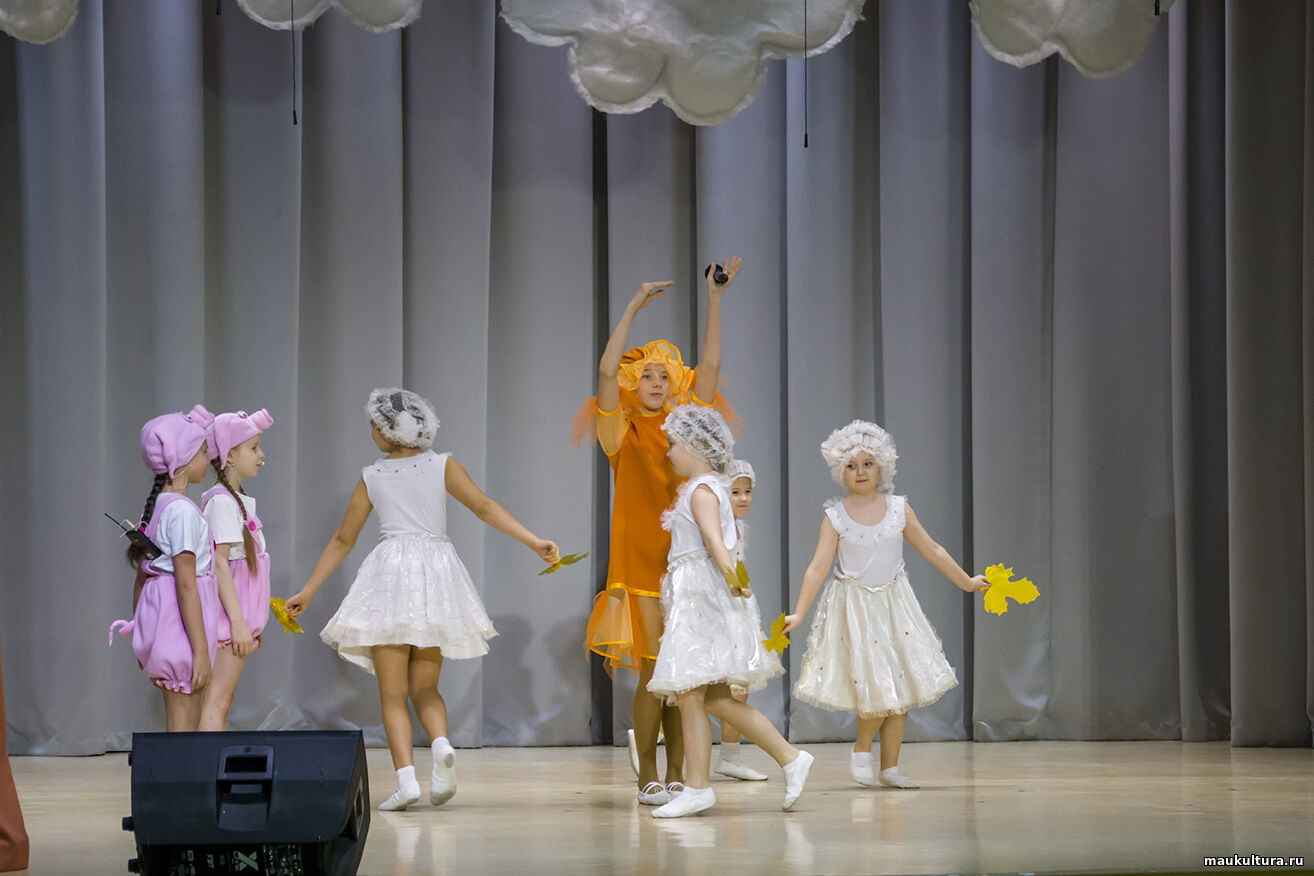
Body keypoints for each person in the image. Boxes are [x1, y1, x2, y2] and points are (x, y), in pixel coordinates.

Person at [284, 388, 559, 811]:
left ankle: (406, 781)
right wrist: (533, 540)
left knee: (392, 693)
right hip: (436, 575)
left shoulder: (373, 475)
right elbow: (484, 507)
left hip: (389, 577)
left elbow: (343, 539)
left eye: (374, 426)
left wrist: (308, 590)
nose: (371, 433)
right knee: (425, 687)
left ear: (388, 430)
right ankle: (442, 743)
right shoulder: (441, 465)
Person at [574, 261, 741, 806]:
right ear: (635, 382)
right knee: (653, 671)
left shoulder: (684, 434)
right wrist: (632, 306)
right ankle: (646, 770)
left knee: (684, 673)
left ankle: (676, 773)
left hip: (685, 560)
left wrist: (714, 299)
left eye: (664, 376)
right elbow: (605, 371)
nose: (655, 383)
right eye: (646, 375)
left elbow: (710, 366)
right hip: (640, 561)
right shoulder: (620, 430)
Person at [784, 420, 989, 789]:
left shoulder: (898, 509)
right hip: (856, 607)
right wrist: (799, 611)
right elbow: (817, 567)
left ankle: (890, 766)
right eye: (851, 465)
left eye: (868, 464)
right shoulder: (835, 517)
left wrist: (967, 581)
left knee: (901, 682)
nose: (861, 471)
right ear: (840, 471)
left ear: (882, 466)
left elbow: (933, 549)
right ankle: (862, 748)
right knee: (877, 682)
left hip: (895, 604)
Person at [646, 405, 812, 818]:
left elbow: (716, 544)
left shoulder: (703, 490)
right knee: (715, 697)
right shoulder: (711, 488)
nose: (669, 452)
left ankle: (698, 787)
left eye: (673, 444)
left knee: (690, 691)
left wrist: (736, 583)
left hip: (701, 599)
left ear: (694, 446)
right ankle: (790, 757)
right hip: (704, 595)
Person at [110, 406, 219, 732]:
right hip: (182, 629)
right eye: (203, 452)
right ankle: (180, 769)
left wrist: (143, 632)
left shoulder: (160, 506)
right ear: (183, 460)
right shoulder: (182, 512)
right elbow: (185, 583)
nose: (208, 458)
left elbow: (142, 576)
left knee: (185, 719)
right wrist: (201, 652)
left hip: (166, 625)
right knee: (183, 725)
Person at [199, 409, 274, 731]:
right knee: (218, 699)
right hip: (228, 621)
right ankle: (206, 762)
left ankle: (209, 760)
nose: (261, 455)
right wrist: (239, 623)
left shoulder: (236, 500)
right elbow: (220, 563)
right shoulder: (222, 503)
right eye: (254, 447)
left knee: (222, 700)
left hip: (235, 619)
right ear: (230, 455)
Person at [713, 457, 775, 782]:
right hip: (719, 609)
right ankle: (650, 736)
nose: (743, 498)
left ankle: (730, 755)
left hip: (738, 608)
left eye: (747, 491)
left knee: (739, 686)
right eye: (734, 492)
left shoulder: (739, 527)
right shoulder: (716, 526)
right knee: (703, 686)